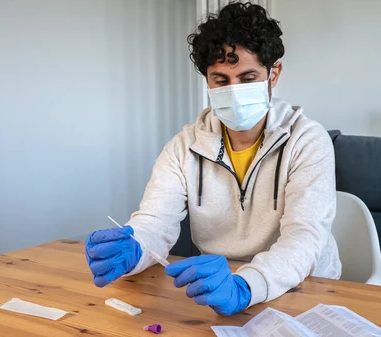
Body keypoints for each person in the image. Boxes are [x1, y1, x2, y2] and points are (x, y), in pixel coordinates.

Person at [84, 2, 341, 316]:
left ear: (273, 74)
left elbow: (305, 236)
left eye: (248, 79)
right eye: (221, 81)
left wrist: (247, 286)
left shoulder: (307, 141)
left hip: (302, 288)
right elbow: (155, 222)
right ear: (207, 80)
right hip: (218, 292)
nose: (234, 92)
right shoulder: (183, 147)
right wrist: (134, 250)